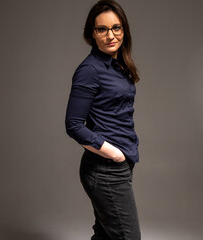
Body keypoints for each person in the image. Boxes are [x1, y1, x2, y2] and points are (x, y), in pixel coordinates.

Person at [65, 0, 141, 239]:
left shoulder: (119, 66)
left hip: (121, 165)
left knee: (106, 236)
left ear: (124, 30)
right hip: (105, 168)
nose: (111, 35)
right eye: (102, 29)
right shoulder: (90, 69)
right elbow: (73, 125)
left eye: (116, 28)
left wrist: (124, 156)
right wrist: (114, 154)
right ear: (92, 33)